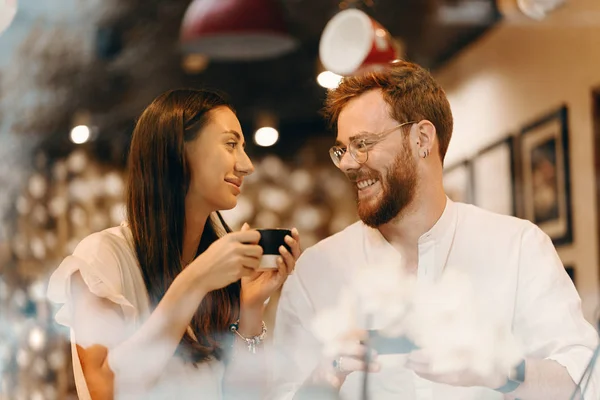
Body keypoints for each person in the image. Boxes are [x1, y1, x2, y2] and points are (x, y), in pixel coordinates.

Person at [271, 61, 599, 400]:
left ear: (422, 138)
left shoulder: (518, 248)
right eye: (342, 149)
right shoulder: (315, 273)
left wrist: (502, 369)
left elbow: (586, 380)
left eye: (363, 143)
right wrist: (328, 374)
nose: (349, 163)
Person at [47, 89, 301, 400]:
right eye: (231, 144)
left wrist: (250, 308)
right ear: (178, 151)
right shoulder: (102, 257)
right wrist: (194, 282)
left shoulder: (218, 272)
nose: (247, 165)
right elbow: (105, 389)